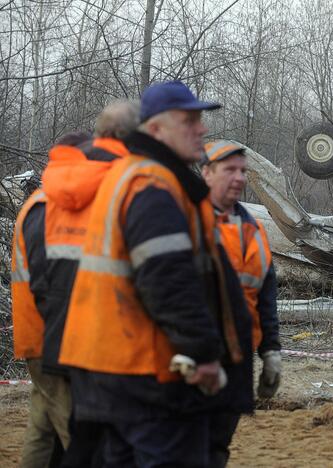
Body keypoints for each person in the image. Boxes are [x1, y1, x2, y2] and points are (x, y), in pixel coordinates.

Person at [58, 81, 253, 467]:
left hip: (114, 372)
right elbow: (167, 279)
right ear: (156, 129)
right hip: (148, 377)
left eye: (201, 119)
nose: (202, 129)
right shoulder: (153, 185)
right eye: (189, 119)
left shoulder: (133, 175)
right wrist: (203, 353)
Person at [11, 101, 139, 468]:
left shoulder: (42, 203)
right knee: (78, 437)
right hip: (52, 340)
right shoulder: (47, 207)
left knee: (42, 427)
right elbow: (52, 281)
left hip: (43, 336)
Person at [201, 140, 282, 465]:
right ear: (206, 173)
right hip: (193, 357)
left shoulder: (254, 229)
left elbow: (265, 296)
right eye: (229, 170)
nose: (239, 178)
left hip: (238, 355)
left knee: (219, 443)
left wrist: (271, 352)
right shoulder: (185, 223)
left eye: (243, 171)